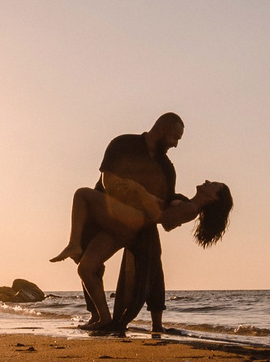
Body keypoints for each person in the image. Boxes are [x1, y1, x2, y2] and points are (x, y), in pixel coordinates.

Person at [48, 111, 232, 335]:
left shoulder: (168, 171)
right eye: (175, 137)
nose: (175, 144)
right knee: (86, 268)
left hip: (131, 222)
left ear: (213, 198)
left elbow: (161, 215)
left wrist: (139, 192)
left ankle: (74, 245)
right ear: (162, 129)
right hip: (105, 214)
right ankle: (103, 318)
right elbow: (109, 183)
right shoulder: (124, 144)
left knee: (82, 194)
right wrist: (149, 198)